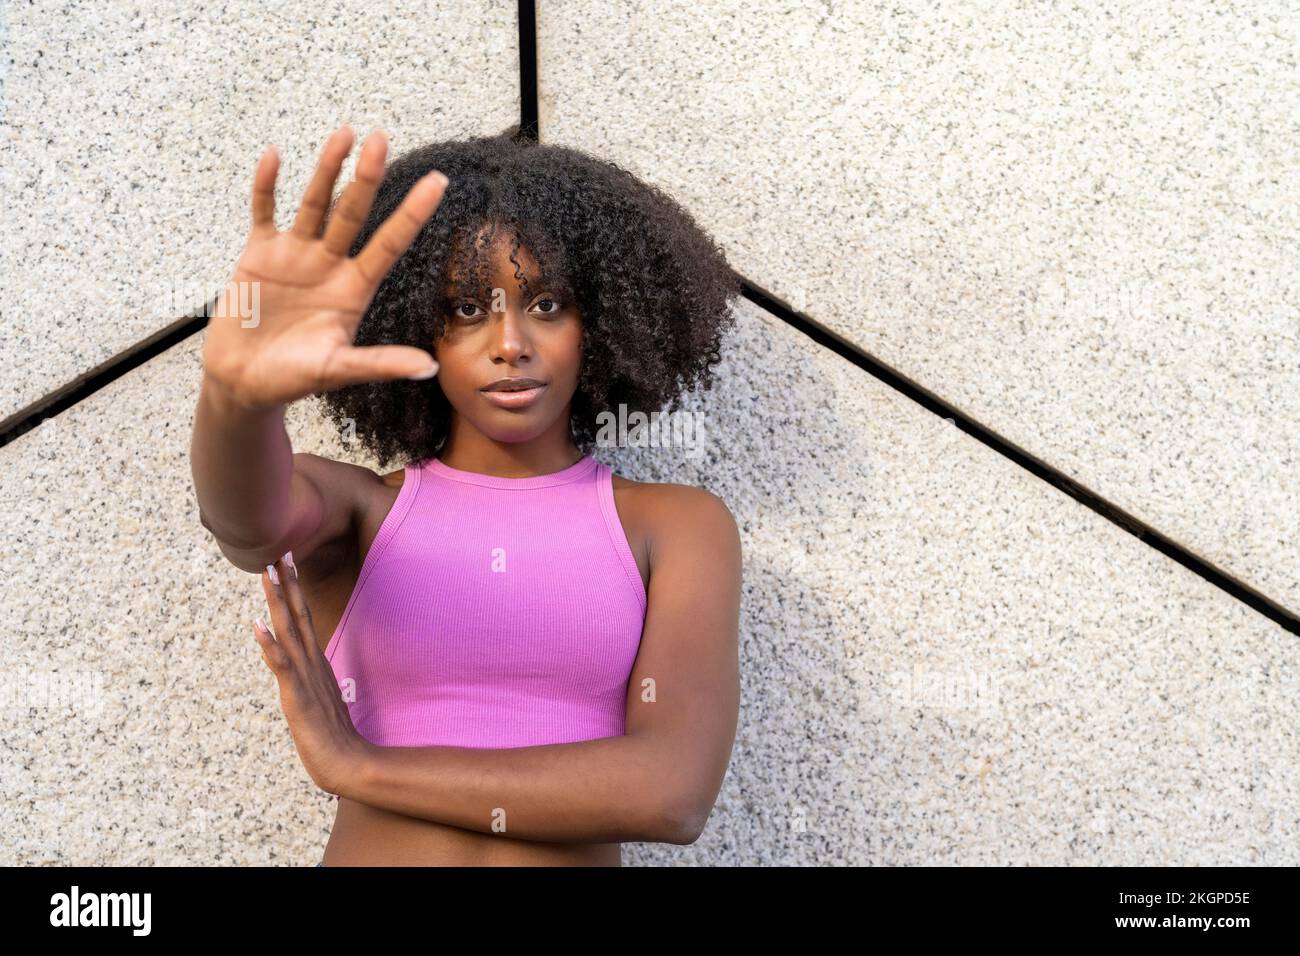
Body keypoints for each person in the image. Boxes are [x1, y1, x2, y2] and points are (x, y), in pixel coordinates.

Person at [190, 123, 743, 866]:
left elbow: (671, 791)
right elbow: (243, 523)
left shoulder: (676, 526)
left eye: (546, 304)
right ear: (417, 326)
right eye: (467, 308)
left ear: (601, 321)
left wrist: (358, 767)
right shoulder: (363, 512)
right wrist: (234, 399)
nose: (510, 343)